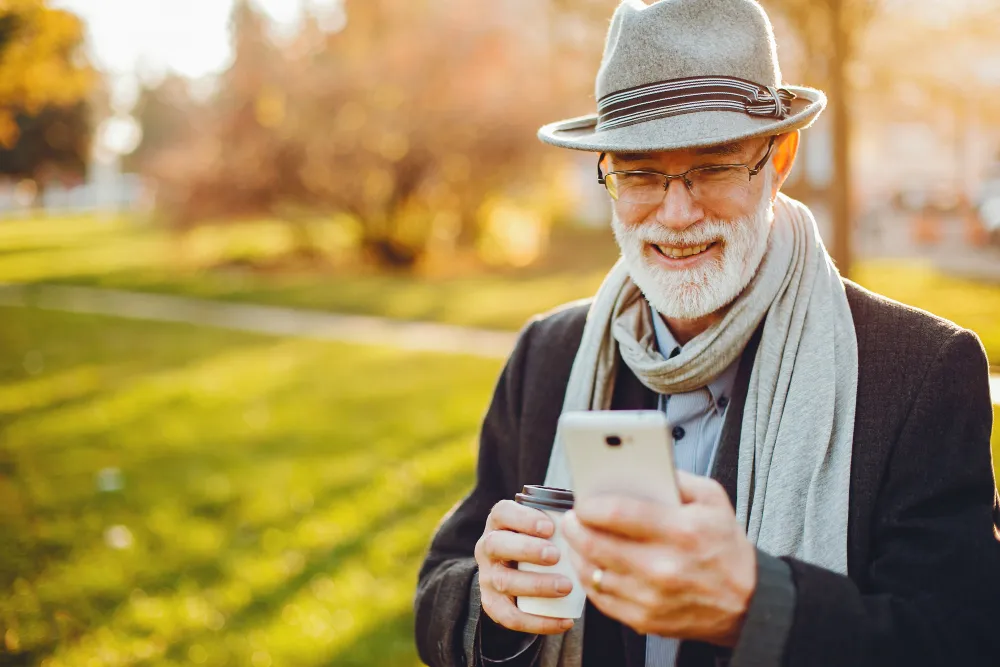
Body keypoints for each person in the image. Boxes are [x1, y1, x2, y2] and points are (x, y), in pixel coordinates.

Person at [414, 0, 1000, 665]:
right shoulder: (548, 354)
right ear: (606, 170)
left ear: (780, 158)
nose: (677, 213)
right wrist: (491, 601)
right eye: (639, 172)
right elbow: (440, 582)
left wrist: (760, 604)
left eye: (714, 166)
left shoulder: (920, 371)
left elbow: (965, 637)